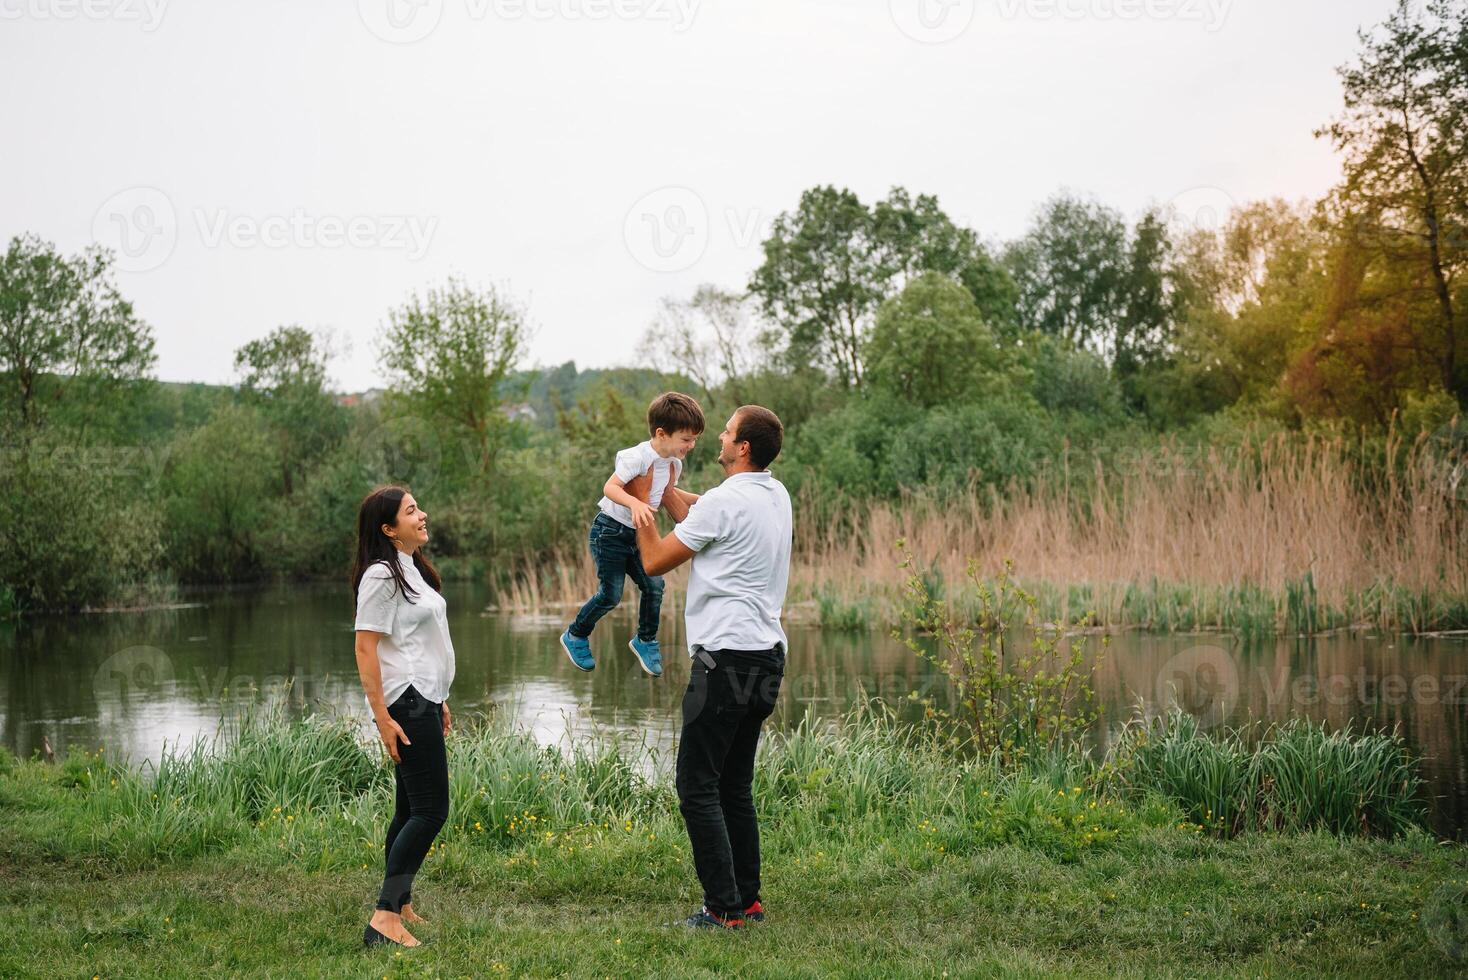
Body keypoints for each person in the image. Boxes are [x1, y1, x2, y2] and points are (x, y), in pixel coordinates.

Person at [628, 405, 791, 930]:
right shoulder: (775, 493)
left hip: (724, 661)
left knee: (697, 784)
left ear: (742, 447)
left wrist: (636, 507)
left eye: (725, 430)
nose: (718, 436)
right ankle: (749, 900)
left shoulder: (724, 502)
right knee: (734, 784)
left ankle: (723, 909)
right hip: (767, 656)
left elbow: (654, 561)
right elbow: (696, 517)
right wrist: (660, 475)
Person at [351, 485, 455, 949]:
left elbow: (415, 643)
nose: (423, 514)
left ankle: (402, 902)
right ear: (389, 529)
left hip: (424, 698)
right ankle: (384, 918)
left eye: (419, 506)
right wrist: (381, 718)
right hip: (404, 705)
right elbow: (365, 648)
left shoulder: (410, 568)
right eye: (411, 511)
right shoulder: (381, 576)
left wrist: (440, 695)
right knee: (433, 810)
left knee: (410, 807)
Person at [559, 391, 705, 678]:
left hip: (637, 538)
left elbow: (667, 493)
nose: (692, 445)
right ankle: (576, 634)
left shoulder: (674, 462)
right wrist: (635, 502)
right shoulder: (637, 457)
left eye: (694, 439)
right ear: (662, 433)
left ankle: (646, 639)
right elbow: (610, 488)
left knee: (654, 586)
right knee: (611, 595)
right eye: (686, 439)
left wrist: (704, 501)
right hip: (609, 532)